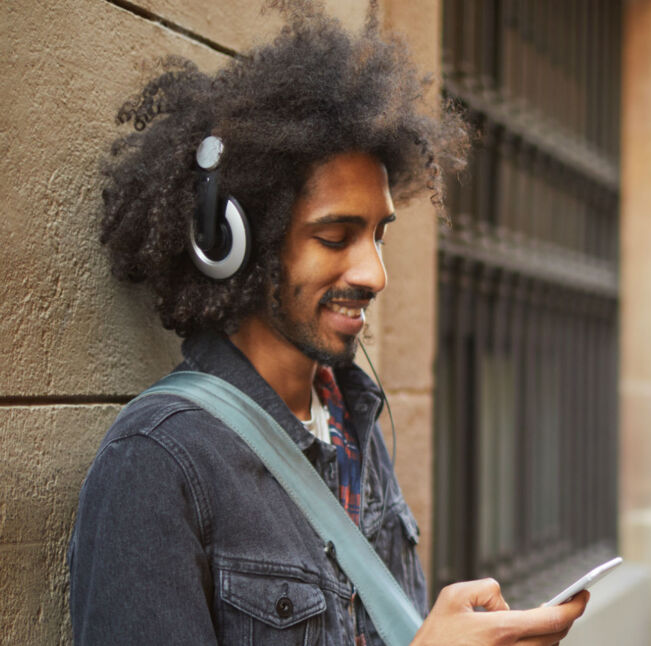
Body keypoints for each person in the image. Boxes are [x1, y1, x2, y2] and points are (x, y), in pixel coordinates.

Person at [67, 2, 588, 644]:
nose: (374, 274)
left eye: (378, 235)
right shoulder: (156, 464)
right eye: (336, 236)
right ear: (235, 244)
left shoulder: (354, 421)